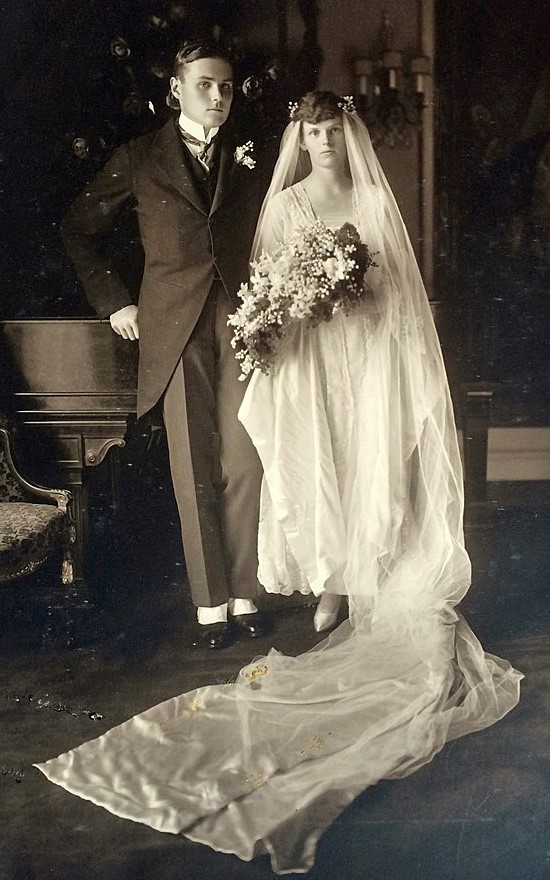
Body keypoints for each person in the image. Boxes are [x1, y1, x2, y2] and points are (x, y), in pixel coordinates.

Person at [36, 92, 522, 875]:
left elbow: (399, 289)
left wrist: (370, 321)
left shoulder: (372, 200)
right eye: (313, 131)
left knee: (370, 464)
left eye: (333, 131)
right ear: (301, 136)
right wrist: (299, 305)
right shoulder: (288, 201)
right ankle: (330, 580)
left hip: (367, 357)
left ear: (348, 135)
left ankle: (364, 576)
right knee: (319, 466)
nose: (324, 141)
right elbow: (265, 285)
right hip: (315, 359)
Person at [61, 41, 267, 648]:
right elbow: (78, 229)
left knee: (247, 461)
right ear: (177, 90)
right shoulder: (140, 156)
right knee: (192, 467)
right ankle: (211, 603)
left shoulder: (253, 153)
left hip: (245, 320)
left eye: (225, 86)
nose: (218, 96)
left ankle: (246, 592)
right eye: (205, 84)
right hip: (174, 328)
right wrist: (116, 303)